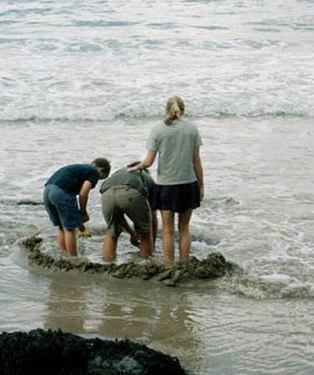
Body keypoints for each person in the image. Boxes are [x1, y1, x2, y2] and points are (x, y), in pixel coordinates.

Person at [129, 96, 203, 265]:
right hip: (188, 183)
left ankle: (169, 265)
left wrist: (134, 168)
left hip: (166, 186)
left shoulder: (158, 129)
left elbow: (148, 162)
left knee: (168, 231)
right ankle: (185, 263)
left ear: (166, 109)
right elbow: (196, 161)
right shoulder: (192, 129)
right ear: (182, 110)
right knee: (184, 229)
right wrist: (201, 185)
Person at [43, 158, 111, 256]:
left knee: (62, 227)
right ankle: (74, 259)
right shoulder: (93, 172)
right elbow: (83, 193)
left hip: (47, 190)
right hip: (61, 193)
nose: (97, 180)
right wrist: (83, 212)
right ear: (101, 169)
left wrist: (81, 225)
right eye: (100, 178)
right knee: (70, 229)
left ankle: (64, 255)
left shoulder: (80, 168)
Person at [100, 164, 158, 260]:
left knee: (112, 232)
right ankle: (147, 262)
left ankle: (107, 262)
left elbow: (119, 217)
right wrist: (152, 243)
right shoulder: (147, 178)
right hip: (131, 192)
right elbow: (153, 220)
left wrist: (133, 234)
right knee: (145, 233)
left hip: (107, 195)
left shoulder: (119, 172)